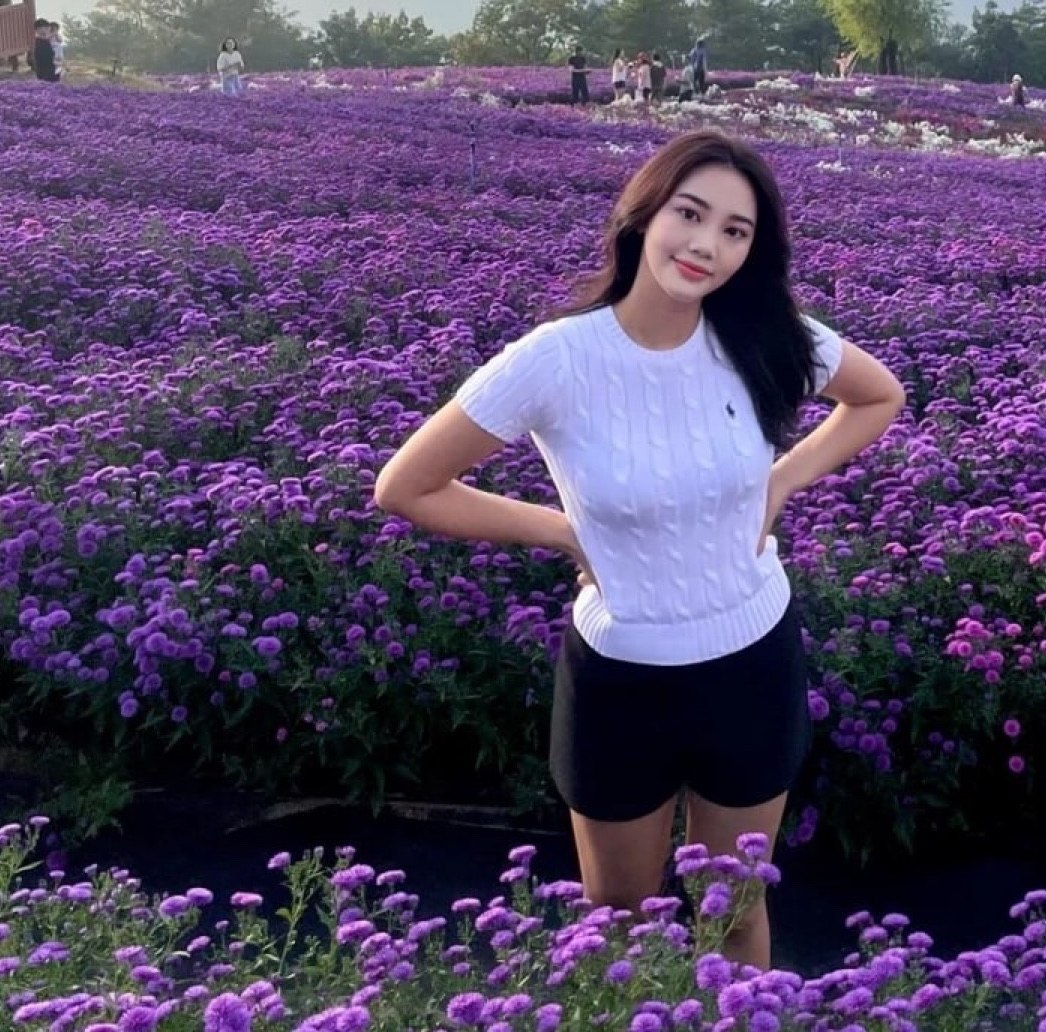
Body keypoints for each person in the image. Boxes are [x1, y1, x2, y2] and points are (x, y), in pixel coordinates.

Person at [374, 130, 905, 966]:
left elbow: (878, 396)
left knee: (733, 912)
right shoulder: (558, 358)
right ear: (643, 215)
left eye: (735, 230)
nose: (707, 245)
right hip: (620, 682)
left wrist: (781, 481)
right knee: (618, 917)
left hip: (751, 663)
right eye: (689, 214)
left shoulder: (763, 335)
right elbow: (407, 485)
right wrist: (562, 531)